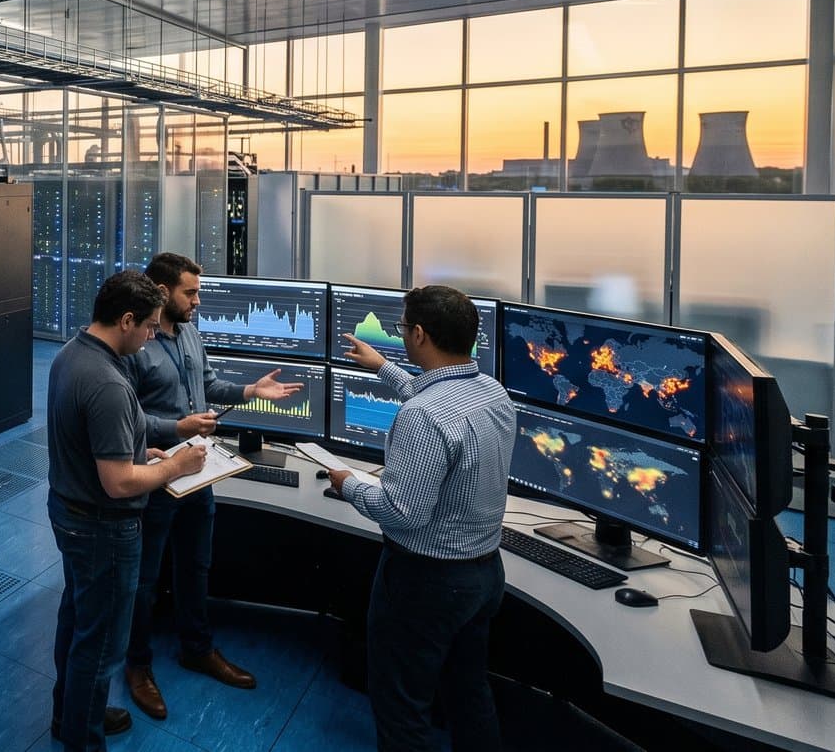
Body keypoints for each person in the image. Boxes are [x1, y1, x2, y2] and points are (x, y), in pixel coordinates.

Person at [328, 285, 515, 751]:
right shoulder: (492, 392)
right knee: (469, 693)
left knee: (401, 708)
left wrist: (345, 482)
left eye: (402, 330)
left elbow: (400, 513)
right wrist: (384, 368)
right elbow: (437, 394)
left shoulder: (421, 416)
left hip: (425, 581)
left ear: (418, 334)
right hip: (485, 575)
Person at [122, 252, 302, 718]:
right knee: (143, 581)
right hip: (157, 475)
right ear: (162, 293)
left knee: (195, 565)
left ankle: (196, 647)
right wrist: (177, 428)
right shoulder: (135, 344)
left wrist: (249, 392)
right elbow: (126, 417)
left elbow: (207, 385)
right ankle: (136, 665)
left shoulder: (190, 334)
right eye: (191, 292)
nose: (198, 301)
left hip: (198, 474)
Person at [47, 270, 217, 752]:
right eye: (146, 328)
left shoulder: (72, 354)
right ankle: (85, 739)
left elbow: (93, 443)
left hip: (70, 512)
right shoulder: (108, 381)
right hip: (103, 527)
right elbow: (118, 482)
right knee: (100, 649)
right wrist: (176, 465)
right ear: (126, 319)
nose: (148, 341)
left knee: (77, 622)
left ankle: (69, 716)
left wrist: (141, 450)